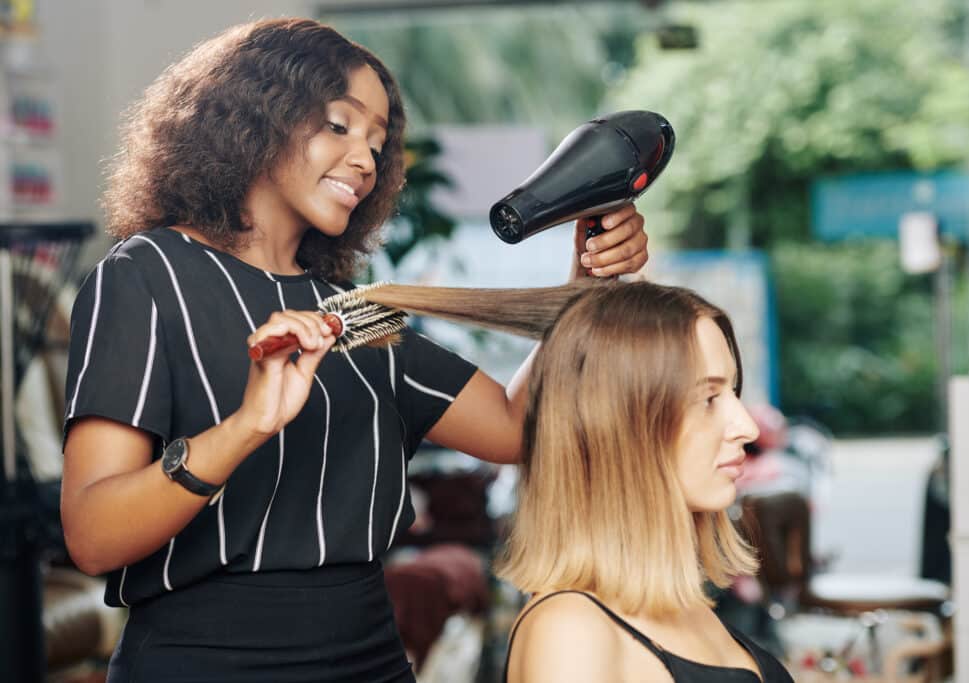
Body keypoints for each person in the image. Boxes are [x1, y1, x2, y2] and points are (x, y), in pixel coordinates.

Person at [60, 18, 650, 683]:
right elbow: (93, 532)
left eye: (377, 142)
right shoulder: (146, 274)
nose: (366, 160)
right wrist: (247, 426)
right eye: (340, 125)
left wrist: (589, 288)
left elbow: (518, 428)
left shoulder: (356, 315)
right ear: (255, 115)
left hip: (369, 660)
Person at [492, 281, 796, 683]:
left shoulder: (687, 604)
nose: (746, 427)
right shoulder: (572, 631)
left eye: (733, 391)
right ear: (623, 427)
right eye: (709, 399)